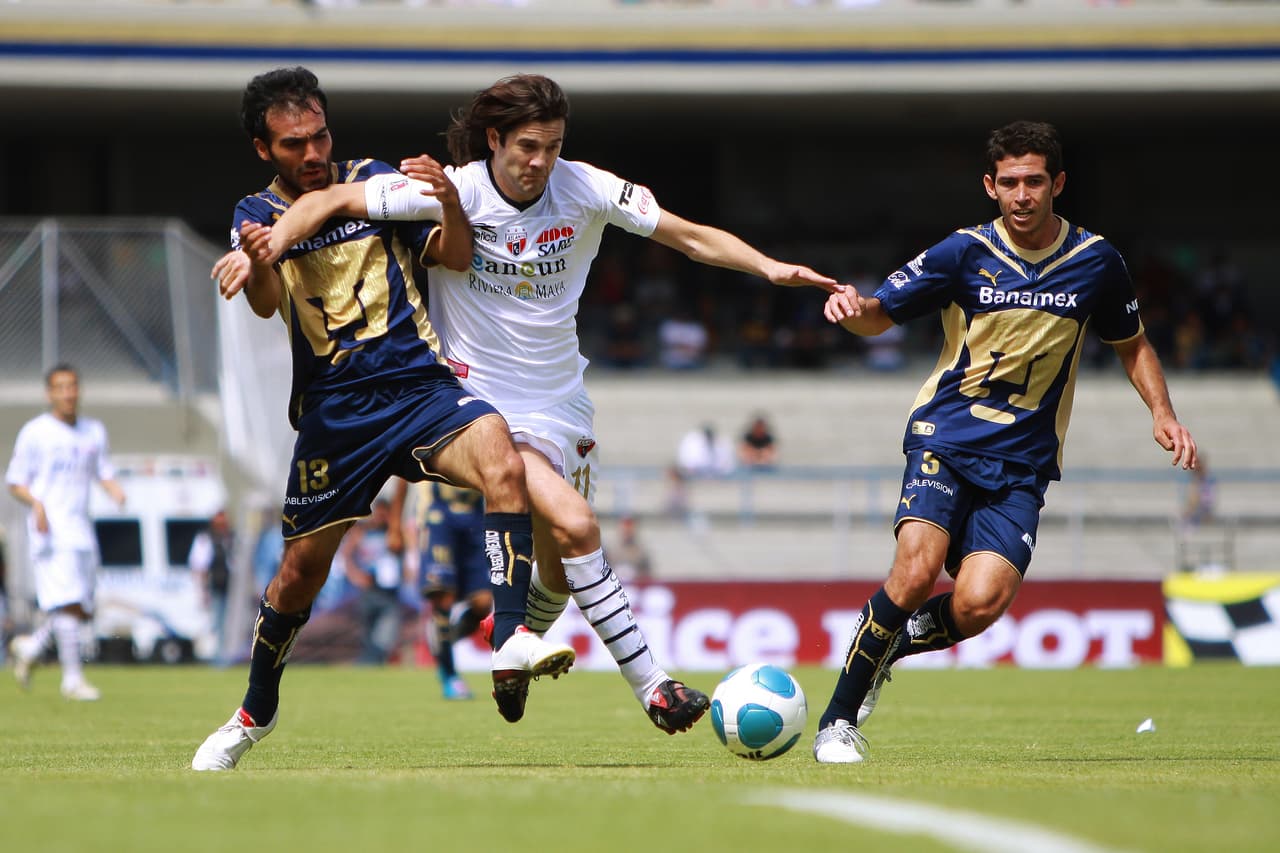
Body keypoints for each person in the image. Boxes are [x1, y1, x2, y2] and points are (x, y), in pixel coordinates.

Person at [263, 73, 840, 734]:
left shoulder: (586, 186)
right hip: (478, 404)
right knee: (578, 523)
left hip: (562, 404)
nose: (541, 161)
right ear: (495, 140)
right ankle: (655, 688)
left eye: (554, 145)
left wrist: (770, 268)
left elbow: (688, 236)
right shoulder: (456, 189)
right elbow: (331, 200)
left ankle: (509, 655)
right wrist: (273, 244)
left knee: (561, 576)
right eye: (529, 146)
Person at [193, 66, 574, 772]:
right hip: (337, 413)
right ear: (262, 149)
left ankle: (511, 634)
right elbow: (269, 304)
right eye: (292, 144)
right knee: (296, 578)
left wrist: (450, 202)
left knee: (500, 453)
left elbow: (454, 255)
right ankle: (255, 709)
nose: (311, 154)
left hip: (418, 387)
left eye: (319, 136)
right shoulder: (255, 210)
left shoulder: (372, 180)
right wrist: (256, 260)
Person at [812, 121, 1198, 764]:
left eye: (1035, 181)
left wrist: (1163, 412)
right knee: (914, 570)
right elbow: (881, 313)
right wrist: (855, 314)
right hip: (946, 436)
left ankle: (886, 645)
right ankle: (837, 722)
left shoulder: (1097, 262)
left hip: (1022, 463)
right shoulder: (962, 253)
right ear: (991, 187)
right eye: (1010, 183)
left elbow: (1132, 345)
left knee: (980, 603)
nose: (1023, 195)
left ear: (1058, 184)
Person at [5, 364, 127, 701]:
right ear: (50, 393)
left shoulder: (93, 431)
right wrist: (37, 504)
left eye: (72, 386)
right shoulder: (36, 432)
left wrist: (115, 489)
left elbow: (102, 470)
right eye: (60, 387)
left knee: (80, 608)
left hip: (81, 529)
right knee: (68, 601)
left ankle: (31, 646)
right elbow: (15, 481)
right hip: (51, 532)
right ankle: (72, 680)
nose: (68, 393)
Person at [412, 480, 490, 700]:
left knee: (483, 603)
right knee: (443, 597)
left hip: (474, 518)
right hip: (439, 516)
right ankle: (449, 675)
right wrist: (397, 527)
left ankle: (444, 640)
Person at [338, 497, 406, 664]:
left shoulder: (395, 534)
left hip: (389, 594)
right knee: (368, 638)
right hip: (368, 592)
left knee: (385, 638)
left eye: (386, 514)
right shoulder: (362, 532)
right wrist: (356, 575)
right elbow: (345, 556)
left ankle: (372, 664)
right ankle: (368, 667)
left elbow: (409, 556)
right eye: (380, 513)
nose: (382, 517)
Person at [188, 507, 236, 666]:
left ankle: (224, 657)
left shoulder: (230, 538)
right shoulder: (206, 538)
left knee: (226, 624)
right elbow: (199, 566)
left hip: (229, 586)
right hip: (213, 586)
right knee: (216, 623)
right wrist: (202, 589)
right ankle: (217, 658)